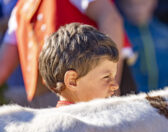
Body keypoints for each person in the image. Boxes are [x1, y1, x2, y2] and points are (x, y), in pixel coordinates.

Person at [0, 0, 135, 108]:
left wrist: (109, 90)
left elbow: (111, 20)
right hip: (61, 97)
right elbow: (2, 67)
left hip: (105, 87)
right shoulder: (20, 10)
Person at [39, 23, 119, 107]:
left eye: (113, 77)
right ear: (72, 80)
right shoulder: (82, 120)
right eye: (106, 77)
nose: (116, 86)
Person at [117, 0, 168, 92]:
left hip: (165, 97)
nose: (137, 10)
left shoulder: (165, 33)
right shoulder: (120, 33)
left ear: (154, 2)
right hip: (133, 99)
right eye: (130, 5)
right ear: (121, 5)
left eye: (143, 3)